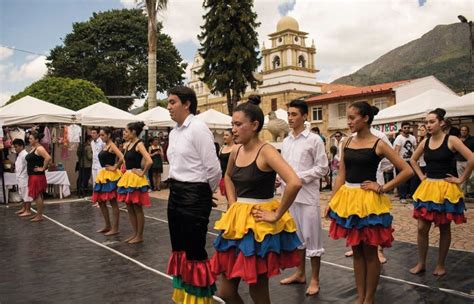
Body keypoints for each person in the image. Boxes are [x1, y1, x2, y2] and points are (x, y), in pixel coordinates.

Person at [211, 95, 302, 304]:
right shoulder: (236, 151)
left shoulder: (267, 151)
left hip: (259, 226)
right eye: (232, 124)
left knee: (257, 291)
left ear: (254, 125)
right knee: (226, 291)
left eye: (238, 124)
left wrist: (277, 213)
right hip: (237, 222)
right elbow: (228, 176)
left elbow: (294, 182)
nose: (233, 129)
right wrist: (233, 203)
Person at [325, 102, 412, 304]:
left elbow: (406, 170)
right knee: (356, 251)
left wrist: (382, 187)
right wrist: (332, 201)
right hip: (348, 200)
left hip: (369, 201)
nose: (348, 122)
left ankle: (369, 298)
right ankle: (360, 296)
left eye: (352, 117)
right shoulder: (345, 142)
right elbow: (341, 175)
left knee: (370, 251)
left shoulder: (379, 143)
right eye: (347, 117)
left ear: (365, 118)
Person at [165, 86, 221, 304]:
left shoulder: (198, 128)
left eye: (172, 102)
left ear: (187, 103)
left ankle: (198, 301)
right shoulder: (174, 131)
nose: (168, 107)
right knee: (178, 248)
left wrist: (206, 192)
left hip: (194, 194)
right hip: (176, 192)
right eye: (168, 103)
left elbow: (213, 168)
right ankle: (183, 297)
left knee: (194, 250)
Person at [409, 108, 473, 276]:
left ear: (442, 123)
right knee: (422, 227)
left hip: (446, 188)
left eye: (431, 122)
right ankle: (421, 263)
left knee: (444, 227)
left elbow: (472, 157)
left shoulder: (451, 140)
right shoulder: (425, 142)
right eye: (426, 123)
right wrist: (422, 176)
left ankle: (440, 264)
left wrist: (461, 179)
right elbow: (413, 160)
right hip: (428, 187)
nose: (428, 125)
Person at [278, 100, 328, 296]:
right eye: (289, 114)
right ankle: (300, 273)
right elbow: (284, 165)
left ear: (305, 116)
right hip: (289, 197)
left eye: (294, 114)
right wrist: (279, 178)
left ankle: (315, 279)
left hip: (307, 197)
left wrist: (298, 178)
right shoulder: (286, 140)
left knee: (313, 239)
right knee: (297, 237)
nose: (290, 118)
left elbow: (323, 168)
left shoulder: (314, 140)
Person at [117, 122, 153, 244]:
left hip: (135, 179)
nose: (124, 133)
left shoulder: (139, 144)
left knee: (137, 207)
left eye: (126, 131)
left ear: (133, 132)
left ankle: (139, 235)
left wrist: (142, 173)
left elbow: (149, 161)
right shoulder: (128, 145)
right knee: (129, 207)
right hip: (128, 177)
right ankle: (135, 233)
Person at [91, 127, 124, 236]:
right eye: (100, 135)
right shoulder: (105, 145)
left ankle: (115, 228)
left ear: (109, 135)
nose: (101, 137)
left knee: (113, 202)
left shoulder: (112, 145)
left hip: (110, 175)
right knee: (101, 201)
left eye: (103, 135)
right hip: (103, 174)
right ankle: (107, 225)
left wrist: (115, 167)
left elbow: (121, 157)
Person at [26, 131, 52, 222]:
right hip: (34, 175)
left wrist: (43, 168)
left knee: (37, 195)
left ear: (36, 140)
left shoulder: (39, 148)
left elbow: (48, 158)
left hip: (36, 175)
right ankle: (38, 214)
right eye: (29, 138)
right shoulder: (34, 148)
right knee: (38, 195)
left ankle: (39, 216)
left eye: (31, 138)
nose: (29, 140)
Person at [393, 122, 417, 203]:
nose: (406, 129)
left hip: (411, 161)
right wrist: (397, 162)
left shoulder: (413, 138)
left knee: (413, 178)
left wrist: (416, 160)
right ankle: (402, 196)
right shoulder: (399, 138)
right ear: (402, 128)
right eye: (405, 128)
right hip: (402, 162)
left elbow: (415, 149)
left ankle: (411, 195)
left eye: (408, 127)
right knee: (402, 179)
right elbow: (396, 151)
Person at [13, 139, 33, 217]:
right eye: (14, 147)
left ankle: (28, 210)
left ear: (21, 146)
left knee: (26, 194)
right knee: (22, 194)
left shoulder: (25, 155)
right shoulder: (20, 154)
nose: (15, 149)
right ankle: (24, 208)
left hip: (25, 177)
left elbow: (28, 166)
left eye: (16, 147)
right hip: (20, 177)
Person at [455, 126, 474, 195]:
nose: (463, 131)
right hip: (459, 161)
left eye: (465, 130)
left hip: (469, 162)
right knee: (461, 178)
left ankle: (470, 193)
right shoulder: (457, 140)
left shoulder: (472, 139)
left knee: (470, 179)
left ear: (468, 131)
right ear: (460, 131)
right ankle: (463, 194)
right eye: (462, 130)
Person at [218, 129, 235, 199]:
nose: (224, 137)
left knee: (232, 198)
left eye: (227, 135)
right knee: (227, 198)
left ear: (233, 136)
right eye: (224, 135)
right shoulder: (222, 147)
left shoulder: (236, 148)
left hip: (232, 178)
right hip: (222, 177)